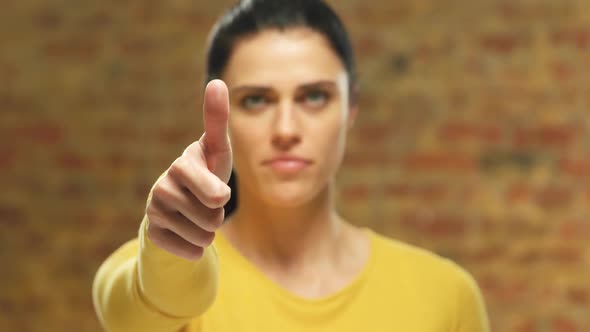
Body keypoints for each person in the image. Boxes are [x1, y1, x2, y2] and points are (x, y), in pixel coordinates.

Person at [92, 1, 490, 331]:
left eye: (314, 97)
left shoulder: (445, 296)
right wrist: (170, 248)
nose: (286, 130)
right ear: (221, 112)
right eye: (256, 100)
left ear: (350, 108)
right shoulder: (155, 267)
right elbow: (134, 309)